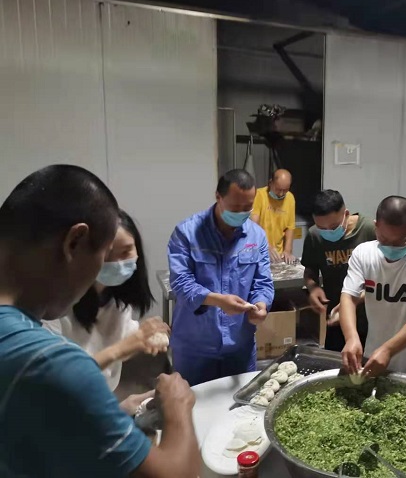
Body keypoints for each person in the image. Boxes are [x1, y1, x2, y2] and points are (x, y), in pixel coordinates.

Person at [0, 165, 199, 477]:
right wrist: (178, 406)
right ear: (75, 242)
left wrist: (111, 413)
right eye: (105, 255)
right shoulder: (49, 361)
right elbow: (175, 474)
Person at [168, 169, 274, 386]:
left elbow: (262, 282)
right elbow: (181, 282)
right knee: (192, 403)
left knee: (239, 403)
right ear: (218, 197)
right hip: (195, 347)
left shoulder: (256, 235)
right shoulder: (187, 233)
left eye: (247, 207)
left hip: (240, 346)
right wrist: (217, 300)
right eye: (235, 207)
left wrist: (261, 305)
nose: (241, 213)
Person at [43, 209, 169, 391]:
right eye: (108, 255)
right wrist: (129, 344)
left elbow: (118, 342)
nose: (118, 263)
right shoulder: (53, 308)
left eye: (126, 251)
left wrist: (147, 337)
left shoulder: (117, 297)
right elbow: (62, 377)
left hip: (98, 394)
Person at [339, 196, 406, 378]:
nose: (391, 247)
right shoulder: (363, 254)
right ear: (376, 226)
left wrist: (388, 349)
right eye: (383, 239)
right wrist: (351, 338)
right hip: (373, 355)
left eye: (400, 242)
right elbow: (348, 296)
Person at [301, 190, 375, 352]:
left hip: (370, 319)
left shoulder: (369, 230)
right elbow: (310, 270)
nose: (328, 232)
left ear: (346, 214)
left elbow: (385, 279)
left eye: (334, 227)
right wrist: (313, 288)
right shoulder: (314, 236)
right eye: (322, 228)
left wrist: (352, 301)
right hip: (335, 317)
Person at [251, 168, 296, 264]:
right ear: (270, 183)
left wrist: (287, 251)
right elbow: (253, 225)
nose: (281, 194)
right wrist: (265, 245)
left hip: (278, 254)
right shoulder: (259, 195)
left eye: (285, 190)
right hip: (259, 249)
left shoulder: (290, 198)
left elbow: (290, 227)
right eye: (278, 189)